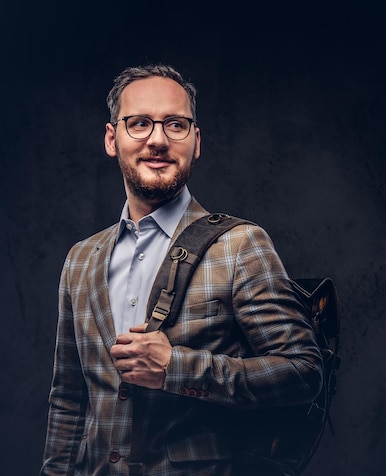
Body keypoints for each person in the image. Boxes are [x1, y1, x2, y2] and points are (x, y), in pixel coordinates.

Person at [41, 64, 323, 476]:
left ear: (196, 141)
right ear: (111, 139)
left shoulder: (239, 246)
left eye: (175, 124)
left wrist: (176, 369)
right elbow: (68, 399)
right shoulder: (80, 260)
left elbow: (303, 372)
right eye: (139, 123)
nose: (157, 140)